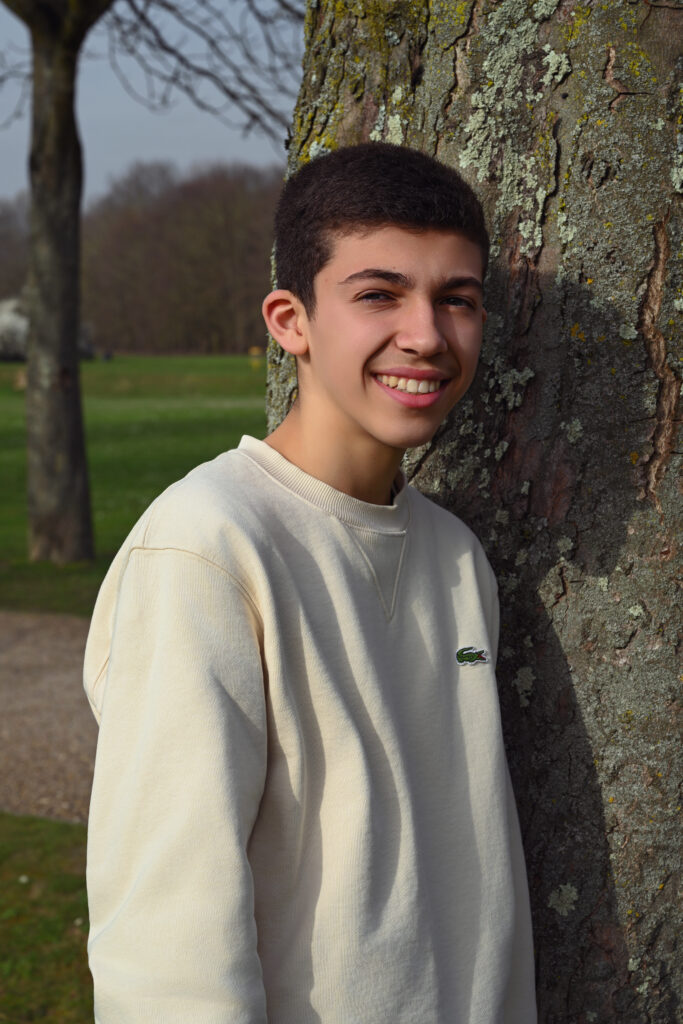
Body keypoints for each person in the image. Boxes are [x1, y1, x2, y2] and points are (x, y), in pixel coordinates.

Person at [84, 142, 536, 1023]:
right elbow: (165, 949)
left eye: (457, 299)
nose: (426, 335)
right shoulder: (208, 546)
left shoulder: (455, 556)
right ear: (290, 321)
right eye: (378, 295)